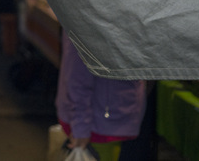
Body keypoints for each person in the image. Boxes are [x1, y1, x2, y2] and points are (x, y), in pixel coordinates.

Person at [55, 32, 147, 161]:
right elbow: (77, 75)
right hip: (97, 122)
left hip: (113, 116)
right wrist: (81, 126)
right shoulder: (88, 18)